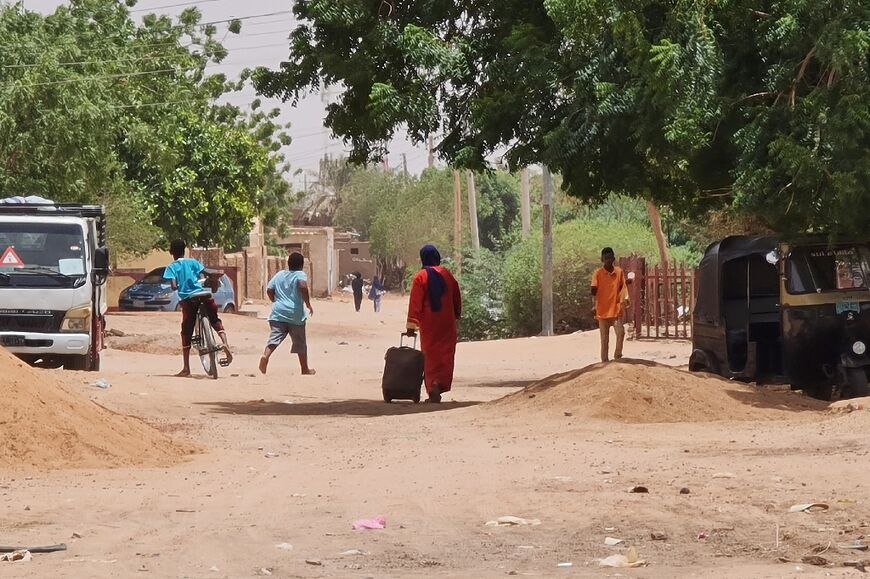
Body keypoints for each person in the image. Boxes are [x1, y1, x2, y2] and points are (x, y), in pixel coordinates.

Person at [163, 239, 232, 377]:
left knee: (186, 331)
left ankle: (186, 368)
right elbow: (206, 273)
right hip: (204, 294)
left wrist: (178, 285)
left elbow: (173, 285)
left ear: (171, 252)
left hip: (189, 299)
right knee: (214, 319)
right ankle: (225, 343)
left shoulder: (171, 267)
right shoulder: (193, 262)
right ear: (185, 250)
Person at [406, 245, 462, 403]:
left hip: (429, 323)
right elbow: (456, 295)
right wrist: (456, 313)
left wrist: (411, 326)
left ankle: (432, 387)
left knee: (430, 354)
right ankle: (440, 384)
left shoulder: (420, 277)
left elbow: (415, 303)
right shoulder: (447, 274)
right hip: (447, 321)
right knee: (445, 353)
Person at [259, 252, 316, 376]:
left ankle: (265, 356)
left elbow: (269, 289)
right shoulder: (300, 274)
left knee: (274, 338)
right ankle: (304, 369)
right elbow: (302, 285)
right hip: (295, 314)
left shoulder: (279, 274)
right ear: (301, 265)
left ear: (288, 264)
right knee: (300, 341)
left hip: (278, 313)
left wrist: (275, 300)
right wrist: (308, 303)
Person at [591, 247, 629, 363]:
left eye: (610, 258)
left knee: (621, 333)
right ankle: (605, 361)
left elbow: (623, 287)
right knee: (604, 339)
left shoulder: (619, 272)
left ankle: (617, 355)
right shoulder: (597, 273)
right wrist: (593, 305)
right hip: (602, 311)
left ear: (613, 258)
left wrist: (625, 299)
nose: (608, 260)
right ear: (602, 259)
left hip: (616, 311)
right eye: (606, 258)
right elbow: (593, 290)